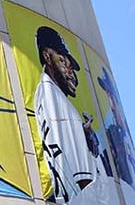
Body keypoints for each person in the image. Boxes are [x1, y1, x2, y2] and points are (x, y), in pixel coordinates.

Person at [33, 26, 97, 203]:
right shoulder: (57, 102)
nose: (71, 73)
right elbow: (84, 180)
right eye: (63, 62)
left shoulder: (45, 93)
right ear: (47, 56)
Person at [98, 68, 135, 194]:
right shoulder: (112, 137)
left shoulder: (124, 138)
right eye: (108, 97)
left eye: (112, 97)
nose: (112, 105)